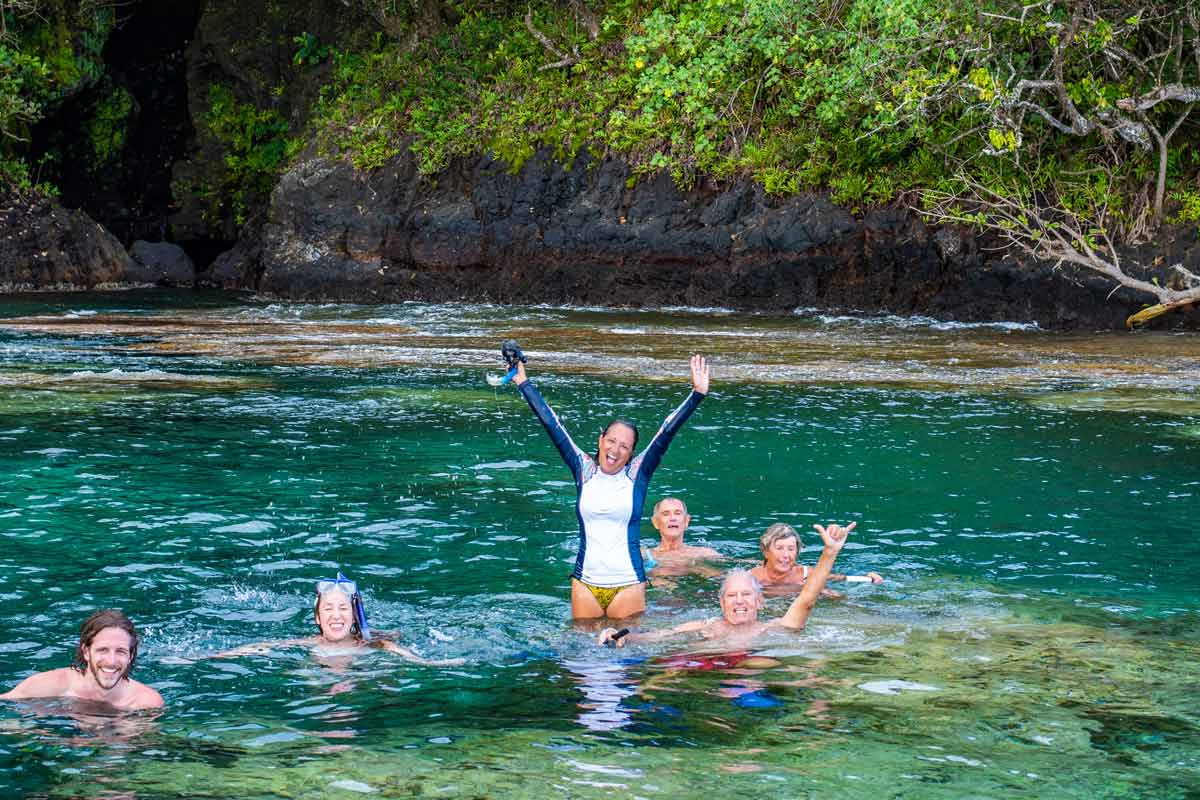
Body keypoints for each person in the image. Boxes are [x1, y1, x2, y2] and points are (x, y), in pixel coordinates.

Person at [512, 354, 709, 619]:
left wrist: (697, 394)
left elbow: (666, 431)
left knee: (626, 644)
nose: (615, 450)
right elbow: (552, 424)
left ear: (631, 453)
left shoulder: (637, 474)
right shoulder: (583, 469)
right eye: (611, 441)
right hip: (585, 582)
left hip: (628, 583)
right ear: (600, 440)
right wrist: (523, 383)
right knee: (580, 644)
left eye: (624, 446)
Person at [598, 522, 855, 647]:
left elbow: (807, 599)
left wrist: (829, 552)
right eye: (732, 596)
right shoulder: (706, 627)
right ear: (721, 603)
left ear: (759, 601)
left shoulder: (775, 627)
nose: (739, 601)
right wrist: (620, 636)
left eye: (746, 594)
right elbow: (659, 635)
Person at [218, 573, 463, 667]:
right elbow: (263, 646)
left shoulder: (374, 644)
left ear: (355, 615)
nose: (336, 615)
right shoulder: (310, 643)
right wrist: (215, 656)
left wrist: (439, 664)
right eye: (328, 609)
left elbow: (416, 659)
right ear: (318, 617)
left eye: (343, 608)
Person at [0, 609, 164, 710]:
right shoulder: (48, 686)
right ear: (86, 652)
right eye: (103, 650)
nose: (111, 661)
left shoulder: (145, 702)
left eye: (120, 651)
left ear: (131, 656)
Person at [750, 522, 882, 593]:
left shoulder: (806, 575)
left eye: (791, 549)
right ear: (765, 552)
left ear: (797, 553)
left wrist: (869, 579)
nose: (786, 555)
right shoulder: (750, 578)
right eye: (779, 548)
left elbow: (839, 578)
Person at [645, 496, 723, 577]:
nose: (673, 518)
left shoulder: (704, 553)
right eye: (666, 514)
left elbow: (726, 573)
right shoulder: (645, 554)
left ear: (686, 520)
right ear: (655, 522)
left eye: (677, 513)